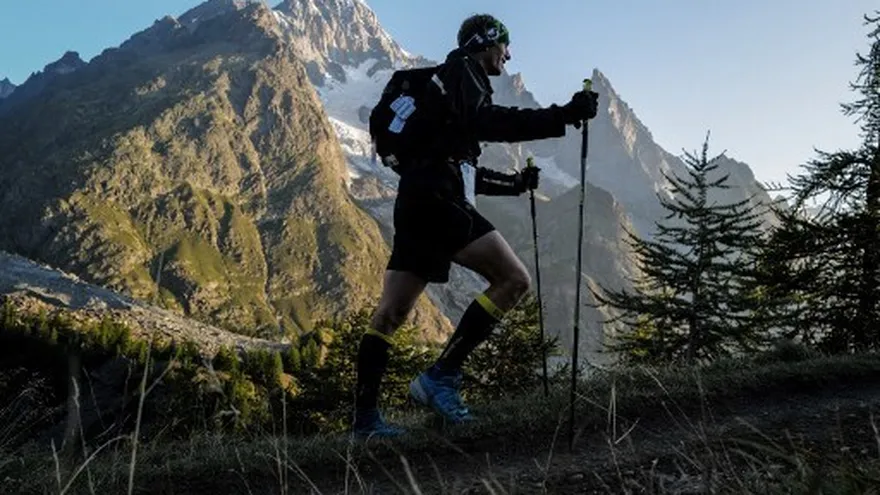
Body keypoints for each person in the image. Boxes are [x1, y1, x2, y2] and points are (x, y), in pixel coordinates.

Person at [353, 13, 599, 437]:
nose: (509, 54)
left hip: (416, 200)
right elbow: (491, 123)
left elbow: (461, 168)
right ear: (487, 41)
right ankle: (441, 376)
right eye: (505, 44)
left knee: (390, 314)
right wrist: (563, 115)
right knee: (514, 280)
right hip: (440, 202)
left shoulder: (442, 92)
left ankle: (364, 422)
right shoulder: (464, 70)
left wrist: (514, 184)